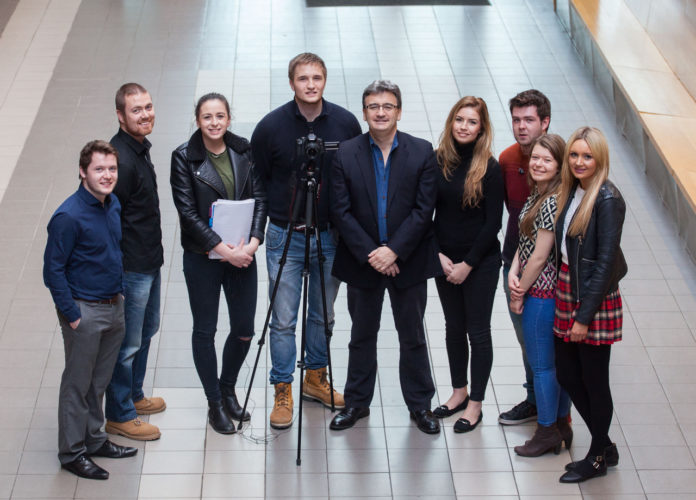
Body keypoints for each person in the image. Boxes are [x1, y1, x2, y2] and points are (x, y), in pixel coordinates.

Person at [251, 52, 361, 429]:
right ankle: (283, 386)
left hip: (330, 235)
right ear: (292, 82)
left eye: (316, 77)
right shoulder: (270, 127)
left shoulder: (346, 123)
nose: (310, 84)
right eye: (303, 78)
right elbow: (260, 181)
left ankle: (315, 377)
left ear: (325, 81)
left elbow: (355, 176)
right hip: (286, 235)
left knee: (323, 313)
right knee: (282, 319)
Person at [329, 80, 441, 434]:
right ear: (364, 113)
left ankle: (420, 406)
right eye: (373, 106)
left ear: (399, 111)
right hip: (362, 262)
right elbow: (340, 212)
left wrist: (394, 250)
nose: (380, 112)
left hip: (407, 260)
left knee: (412, 335)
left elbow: (425, 210)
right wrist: (372, 254)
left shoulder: (422, 151)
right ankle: (357, 403)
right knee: (362, 335)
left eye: (387, 106)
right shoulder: (345, 153)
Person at [171, 93, 268, 434]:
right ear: (198, 120)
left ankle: (228, 387)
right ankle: (214, 403)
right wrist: (223, 249)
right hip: (203, 258)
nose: (214, 122)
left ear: (229, 118)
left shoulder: (244, 151)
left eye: (220, 116)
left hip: (243, 255)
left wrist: (254, 242)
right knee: (205, 330)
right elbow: (187, 212)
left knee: (244, 330)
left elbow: (260, 198)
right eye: (207, 117)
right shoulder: (184, 157)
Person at [44, 140, 138, 480]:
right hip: (84, 311)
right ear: (83, 172)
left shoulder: (111, 205)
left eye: (112, 169)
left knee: (98, 382)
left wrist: (122, 295)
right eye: (99, 169)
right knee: (77, 383)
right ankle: (72, 453)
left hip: (113, 306)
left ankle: (95, 439)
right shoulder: (68, 216)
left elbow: (112, 252)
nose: (107, 175)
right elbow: (52, 271)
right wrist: (72, 314)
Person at [553, 127, 626, 483]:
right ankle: (605, 444)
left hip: (592, 298)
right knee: (567, 373)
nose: (579, 162)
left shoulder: (608, 200)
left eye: (587, 156)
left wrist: (583, 317)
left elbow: (605, 262)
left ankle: (597, 456)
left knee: (595, 380)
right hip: (569, 287)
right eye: (574, 155)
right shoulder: (573, 191)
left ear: (600, 159)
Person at [431, 96, 503, 433]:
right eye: (459, 119)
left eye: (472, 121)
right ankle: (458, 391)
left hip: (481, 263)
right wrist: (438, 256)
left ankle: (475, 403)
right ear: (451, 122)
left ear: (482, 128)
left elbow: (493, 225)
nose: (464, 126)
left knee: (478, 331)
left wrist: (468, 264)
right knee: (452, 328)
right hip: (444, 262)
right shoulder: (437, 162)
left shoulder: (490, 168)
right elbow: (424, 213)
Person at [105, 83, 164, 442]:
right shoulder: (121, 160)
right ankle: (120, 414)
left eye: (148, 107)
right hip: (131, 267)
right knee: (127, 343)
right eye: (136, 110)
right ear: (120, 115)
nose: (145, 115)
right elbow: (109, 220)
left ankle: (135, 395)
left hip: (148, 260)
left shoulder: (138, 149)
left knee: (145, 332)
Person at [507, 134, 572, 456]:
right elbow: (525, 240)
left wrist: (520, 290)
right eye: (535, 158)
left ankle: (547, 431)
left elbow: (540, 256)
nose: (538, 164)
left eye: (547, 160)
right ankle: (561, 424)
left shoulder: (552, 200)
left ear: (559, 166)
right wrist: (511, 270)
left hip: (543, 293)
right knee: (551, 365)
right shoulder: (539, 193)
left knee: (543, 366)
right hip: (531, 282)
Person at [498, 89, 551, 426]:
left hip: (553, 272)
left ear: (545, 122)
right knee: (525, 339)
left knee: (548, 344)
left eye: (529, 120)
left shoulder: (563, 162)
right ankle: (535, 400)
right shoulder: (507, 160)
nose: (521, 126)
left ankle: (556, 412)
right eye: (516, 120)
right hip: (514, 265)